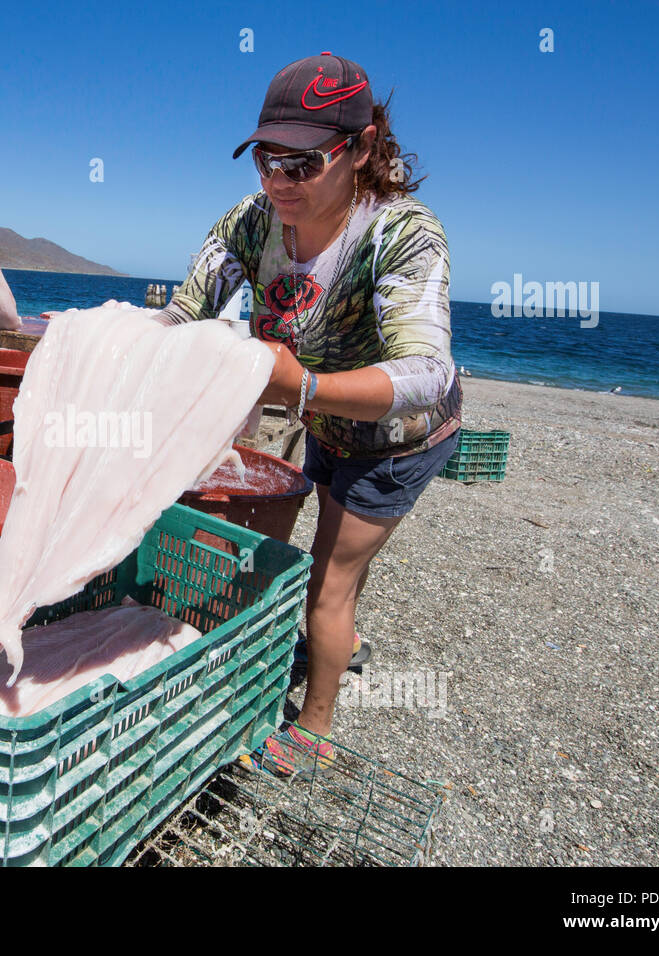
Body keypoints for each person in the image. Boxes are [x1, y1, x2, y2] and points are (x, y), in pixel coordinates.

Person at [157, 53, 462, 775]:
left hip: (398, 439)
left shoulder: (403, 235)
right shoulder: (254, 218)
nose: (277, 182)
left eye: (302, 163)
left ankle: (314, 730)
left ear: (361, 148)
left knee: (326, 580)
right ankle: (342, 638)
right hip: (320, 416)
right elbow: (185, 310)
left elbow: (427, 373)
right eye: (266, 159)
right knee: (335, 555)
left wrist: (301, 387)